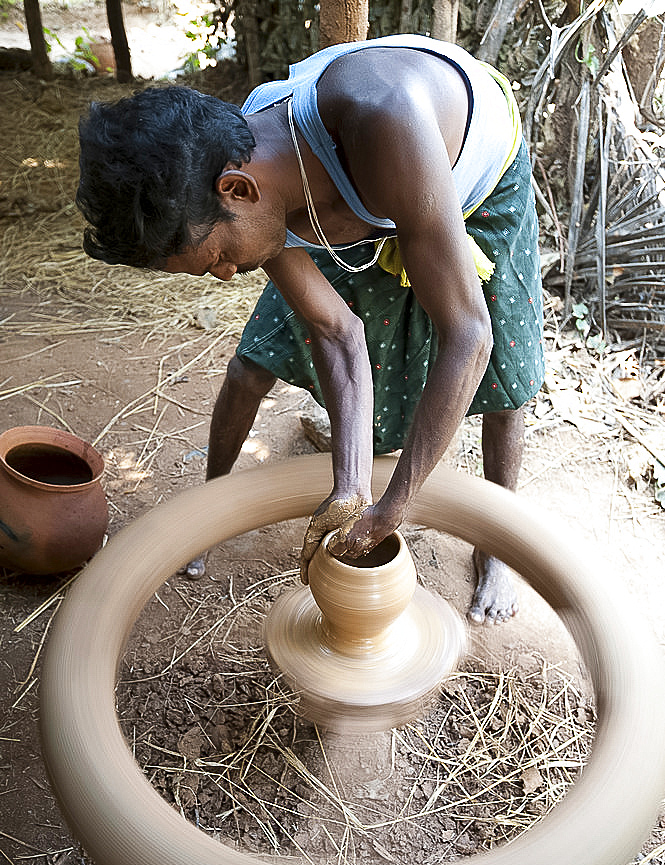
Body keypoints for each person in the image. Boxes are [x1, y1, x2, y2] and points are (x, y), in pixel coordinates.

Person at [77, 33, 545, 624]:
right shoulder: (245, 180)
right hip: (353, 204)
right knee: (255, 361)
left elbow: (468, 336)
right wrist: (350, 491)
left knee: (502, 377)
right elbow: (336, 332)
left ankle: (497, 549)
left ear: (238, 191)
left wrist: (394, 506)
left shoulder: (385, 119)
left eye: (217, 257)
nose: (224, 276)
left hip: (471, 180)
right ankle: (212, 508)